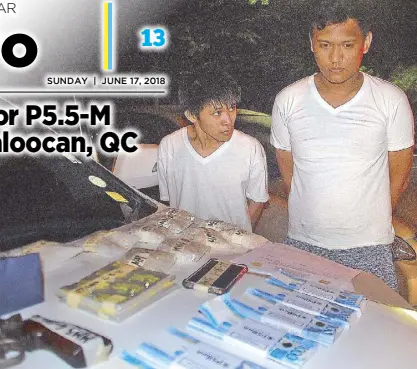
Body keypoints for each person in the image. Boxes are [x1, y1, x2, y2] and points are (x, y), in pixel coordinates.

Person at [270, 1, 415, 290]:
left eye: (348, 45)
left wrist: (368, 223)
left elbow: (399, 173)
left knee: (372, 329)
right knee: (296, 326)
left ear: (366, 42)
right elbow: (290, 174)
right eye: (324, 45)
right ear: (311, 43)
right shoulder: (288, 100)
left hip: (369, 249)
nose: (335, 58)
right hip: (303, 243)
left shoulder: (390, 100)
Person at [158, 64, 269, 232]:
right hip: (184, 246)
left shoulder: (250, 148)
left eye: (232, 108)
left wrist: (239, 239)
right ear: (192, 115)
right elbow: (168, 201)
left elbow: (258, 200)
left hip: (231, 251)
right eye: (217, 113)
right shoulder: (170, 146)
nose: (228, 120)